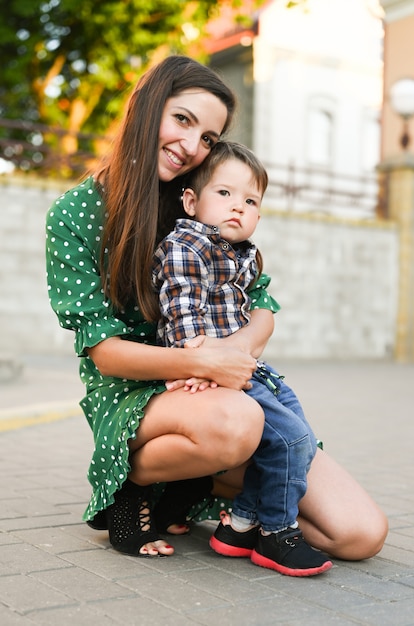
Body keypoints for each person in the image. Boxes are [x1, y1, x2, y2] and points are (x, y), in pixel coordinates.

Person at [45, 54, 388, 561]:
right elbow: (106, 353)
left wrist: (230, 355)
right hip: (137, 398)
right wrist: (203, 361)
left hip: (225, 388)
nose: (191, 146)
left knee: (359, 534)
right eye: (182, 119)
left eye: (208, 137)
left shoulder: (208, 196)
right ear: (144, 106)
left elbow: (263, 305)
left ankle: (213, 494)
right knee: (238, 423)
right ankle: (132, 480)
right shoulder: (76, 213)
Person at [152, 141, 333, 576]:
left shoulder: (243, 253)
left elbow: (258, 314)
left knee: (300, 434)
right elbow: (181, 308)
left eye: (250, 201)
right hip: (214, 370)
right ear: (192, 201)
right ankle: (276, 533)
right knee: (289, 440)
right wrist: (197, 360)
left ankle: (242, 524)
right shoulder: (187, 246)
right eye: (225, 194)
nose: (238, 208)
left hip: (247, 369)